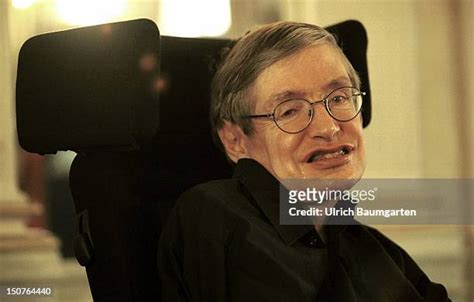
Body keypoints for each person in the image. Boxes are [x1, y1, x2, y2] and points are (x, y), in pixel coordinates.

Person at [158, 21, 450, 301]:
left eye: (338, 98)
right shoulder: (215, 216)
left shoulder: (369, 244)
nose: (329, 127)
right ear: (235, 140)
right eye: (289, 111)